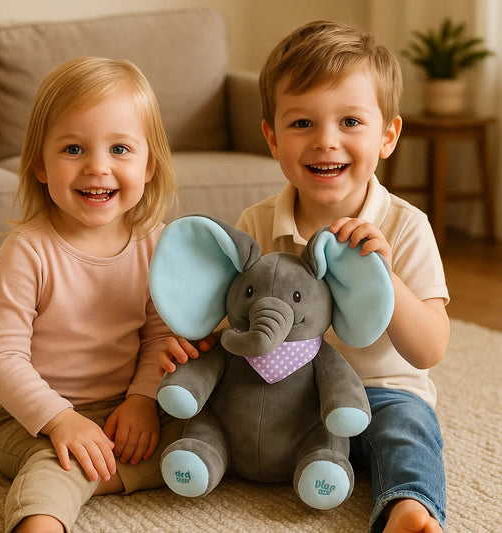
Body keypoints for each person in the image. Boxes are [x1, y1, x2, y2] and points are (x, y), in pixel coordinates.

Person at [159, 21, 450, 533]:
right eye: (302, 124)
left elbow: (429, 350)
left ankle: (409, 507)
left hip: (380, 392)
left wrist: (385, 275)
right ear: (272, 138)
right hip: (282, 394)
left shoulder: (406, 225)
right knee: (201, 411)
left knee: (408, 432)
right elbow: (233, 320)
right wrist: (191, 346)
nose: (326, 141)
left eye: (350, 121)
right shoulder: (256, 223)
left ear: (387, 136)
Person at [0, 56, 187, 533]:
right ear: (40, 165)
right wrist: (61, 420)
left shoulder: (156, 244)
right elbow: (1, 358)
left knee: (203, 434)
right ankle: (45, 516)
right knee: (58, 465)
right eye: (73, 149)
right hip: (28, 416)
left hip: (123, 406)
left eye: (120, 149)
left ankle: (101, 469)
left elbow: (160, 338)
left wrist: (141, 401)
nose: (97, 167)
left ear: (149, 165)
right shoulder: (27, 250)